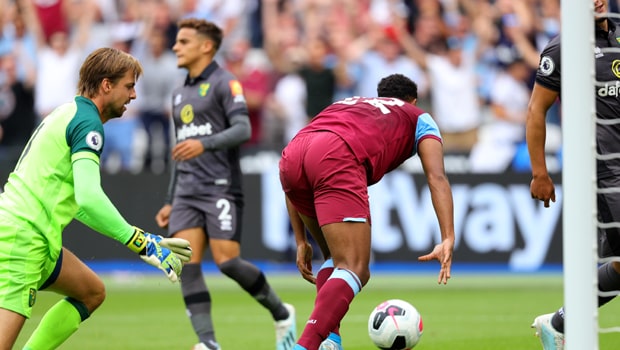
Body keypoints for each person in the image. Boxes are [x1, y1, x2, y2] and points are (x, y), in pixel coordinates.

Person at [0, 47, 192, 350]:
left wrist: (140, 237)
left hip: (27, 233)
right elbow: (90, 197)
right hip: (23, 239)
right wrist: (139, 242)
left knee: (91, 292)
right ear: (106, 85)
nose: (133, 96)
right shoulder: (88, 124)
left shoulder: (68, 112)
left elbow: (80, 202)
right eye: (129, 86)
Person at [279, 73, 456, 350]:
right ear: (413, 100)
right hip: (336, 155)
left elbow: (301, 162)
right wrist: (448, 235)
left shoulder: (349, 104)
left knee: (336, 259)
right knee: (355, 267)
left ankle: (330, 341)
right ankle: (306, 346)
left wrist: (301, 239)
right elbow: (437, 178)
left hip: (294, 154)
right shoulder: (419, 116)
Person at [154, 18, 296, 350]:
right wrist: (170, 198)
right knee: (186, 264)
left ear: (206, 46)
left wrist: (206, 144)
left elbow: (243, 129)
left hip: (220, 185)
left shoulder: (225, 83)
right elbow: (180, 149)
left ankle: (280, 311)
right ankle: (209, 342)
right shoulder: (178, 93)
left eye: (184, 41)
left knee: (228, 262)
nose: (176, 46)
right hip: (187, 190)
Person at [527, 1, 620, 349]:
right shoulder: (563, 48)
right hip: (604, 172)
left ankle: (558, 322)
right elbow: (537, 111)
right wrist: (540, 172)